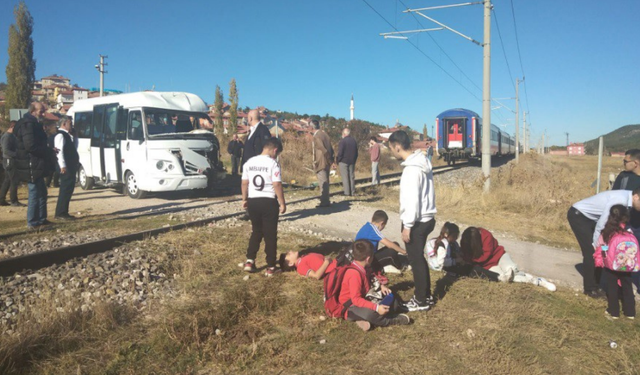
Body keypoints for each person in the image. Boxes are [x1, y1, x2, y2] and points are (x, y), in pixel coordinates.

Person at [388, 130, 436, 311]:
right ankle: (426, 296)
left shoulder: (411, 170)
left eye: (392, 148)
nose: (392, 152)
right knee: (419, 259)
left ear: (398, 147)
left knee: (416, 260)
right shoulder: (422, 162)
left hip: (416, 221)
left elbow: (412, 200)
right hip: (426, 218)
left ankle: (421, 300)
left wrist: (407, 226)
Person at [568, 187, 640, 298]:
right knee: (591, 253)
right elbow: (602, 223)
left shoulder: (627, 199)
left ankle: (596, 285)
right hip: (579, 216)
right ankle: (590, 289)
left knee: (602, 254)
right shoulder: (620, 200)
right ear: (636, 196)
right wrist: (596, 243)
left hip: (591, 219)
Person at [338, 239, 411, 331]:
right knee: (372, 314)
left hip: (365, 297)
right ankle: (391, 320)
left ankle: (362, 319)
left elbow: (371, 278)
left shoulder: (365, 266)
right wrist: (376, 307)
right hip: (351, 306)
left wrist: (381, 286)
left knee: (393, 301)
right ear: (368, 259)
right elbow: (356, 300)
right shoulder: (354, 274)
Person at [241, 137, 286, 277]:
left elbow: (244, 182)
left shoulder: (249, 162)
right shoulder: (273, 164)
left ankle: (250, 260)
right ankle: (271, 266)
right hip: (268, 201)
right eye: (277, 154)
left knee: (256, 231)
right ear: (275, 150)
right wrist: (282, 202)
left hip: (253, 201)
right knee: (270, 235)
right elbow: (276, 184)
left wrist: (244, 198)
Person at [459, 227, 556, 291]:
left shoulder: (486, 235)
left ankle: (526, 276)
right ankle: (537, 281)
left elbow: (485, 256)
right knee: (506, 277)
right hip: (488, 266)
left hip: (500, 256)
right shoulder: (466, 241)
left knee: (511, 269)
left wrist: (471, 261)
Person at [14, 102, 55, 229]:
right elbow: (30, 146)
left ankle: (42, 219)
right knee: (34, 193)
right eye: (41, 111)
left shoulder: (33, 123)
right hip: (31, 163)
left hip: (37, 162)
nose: (43, 114)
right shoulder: (28, 124)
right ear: (33, 111)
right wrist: (48, 150)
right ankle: (32, 222)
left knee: (42, 192)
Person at [593, 205, 637, 320]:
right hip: (626, 264)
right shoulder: (628, 230)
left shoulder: (607, 232)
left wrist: (604, 259)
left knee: (612, 287)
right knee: (627, 286)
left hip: (611, 265)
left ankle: (614, 312)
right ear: (625, 217)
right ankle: (630, 312)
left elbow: (601, 247)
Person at [53, 116, 79, 220]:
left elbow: (74, 148)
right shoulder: (60, 135)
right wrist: (62, 165)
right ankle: (60, 213)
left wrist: (75, 137)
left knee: (69, 189)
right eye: (70, 123)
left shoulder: (68, 135)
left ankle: (64, 211)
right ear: (64, 124)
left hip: (71, 165)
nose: (71, 125)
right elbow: (60, 152)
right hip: (66, 166)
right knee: (65, 189)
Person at [0, 121, 25, 207]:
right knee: (14, 180)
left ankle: (1, 199)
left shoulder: (12, 136)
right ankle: (14, 201)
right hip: (9, 160)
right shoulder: (7, 137)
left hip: (11, 160)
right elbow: (6, 150)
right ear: (12, 127)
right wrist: (17, 154)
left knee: (7, 180)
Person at [311, 119, 334, 207]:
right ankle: (326, 200)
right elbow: (330, 148)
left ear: (311, 127)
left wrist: (316, 161)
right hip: (327, 161)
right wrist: (331, 159)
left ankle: (324, 202)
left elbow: (322, 148)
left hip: (321, 161)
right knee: (326, 181)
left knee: (323, 182)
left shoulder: (317, 136)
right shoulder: (325, 135)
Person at [337, 128, 358, 196]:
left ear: (344, 134)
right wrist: (354, 160)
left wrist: (338, 160)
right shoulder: (354, 141)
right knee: (351, 177)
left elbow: (340, 152)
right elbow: (356, 152)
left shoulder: (342, 141)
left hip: (343, 161)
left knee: (345, 177)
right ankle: (352, 192)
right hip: (352, 161)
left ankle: (347, 192)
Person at [44, 121, 60, 188]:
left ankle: (48, 183)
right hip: (55, 153)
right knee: (57, 169)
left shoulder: (49, 137)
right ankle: (55, 183)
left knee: (51, 170)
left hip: (50, 154)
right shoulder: (57, 136)